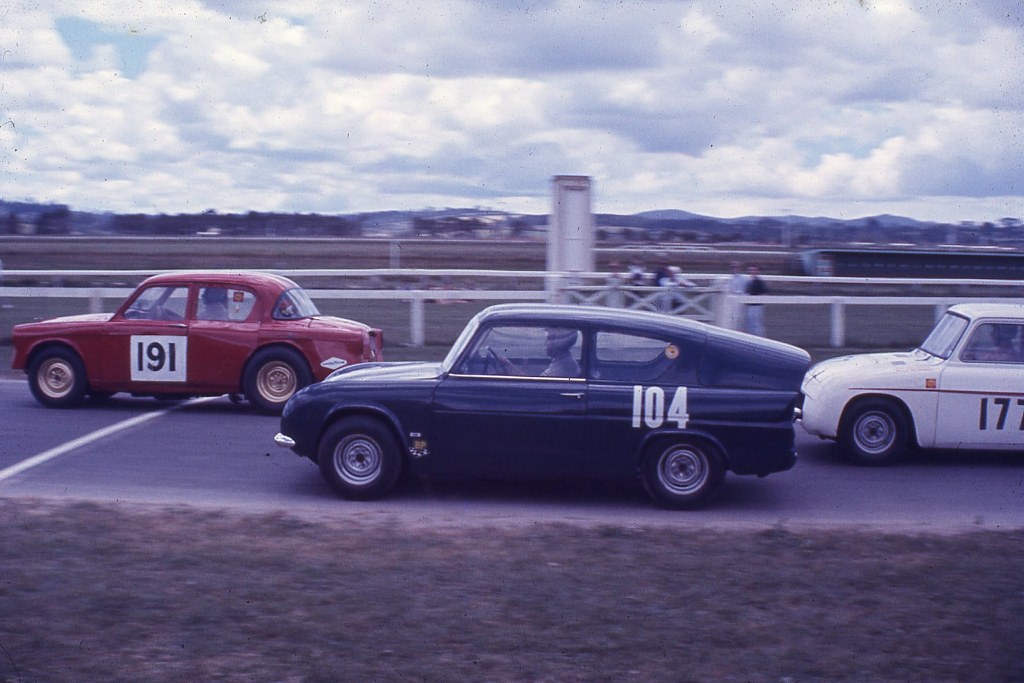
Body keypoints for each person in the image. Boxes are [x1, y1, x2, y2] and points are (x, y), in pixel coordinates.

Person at [496, 328, 581, 378]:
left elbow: (530, 386)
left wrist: (509, 366)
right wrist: (509, 365)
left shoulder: (563, 367)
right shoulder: (563, 361)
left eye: (549, 338)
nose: (545, 343)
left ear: (558, 343)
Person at [744, 265, 767, 336]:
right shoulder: (748, 282)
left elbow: (764, 293)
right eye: (751, 271)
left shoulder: (760, 282)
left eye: (754, 270)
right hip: (749, 305)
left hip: (757, 306)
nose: (752, 272)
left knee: (757, 322)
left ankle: (760, 337)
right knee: (749, 322)